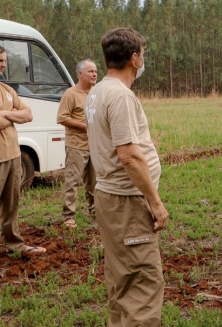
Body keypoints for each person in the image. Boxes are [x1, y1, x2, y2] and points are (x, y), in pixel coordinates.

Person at [86, 28, 169, 325]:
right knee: (142, 286)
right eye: (143, 55)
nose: (143, 60)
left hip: (110, 198)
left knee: (121, 279)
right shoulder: (120, 95)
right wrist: (156, 203)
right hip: (127, 203)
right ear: (134, 58)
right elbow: (130, 157)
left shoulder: (97, 91)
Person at [0, 47, 43, 256]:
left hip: (13, 157)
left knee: (11, 205)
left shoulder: (7, 91)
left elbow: (28, 114)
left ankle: (14, 245)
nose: (3, 64)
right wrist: (13, 115)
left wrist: (5, 114)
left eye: (4, 60)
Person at [57, 59, 98, 229]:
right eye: (90, 71)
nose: (94, 74)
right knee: (73, 181)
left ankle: (95, 210)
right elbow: (62, 118)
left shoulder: (97, 93)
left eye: (95, 71)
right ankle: (68, 216)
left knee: (95, 181)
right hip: (76, 145)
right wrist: (86, 127)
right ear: (80, 74)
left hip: (95, 145)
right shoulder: (71, 94)